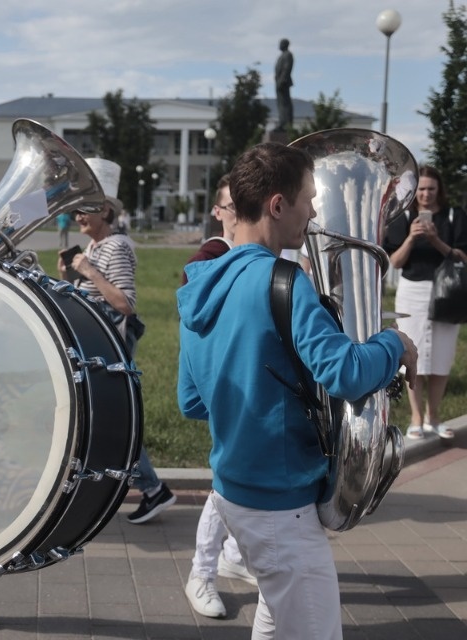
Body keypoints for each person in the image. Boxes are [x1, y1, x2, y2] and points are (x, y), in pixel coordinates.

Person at [177, 142, 417, 639]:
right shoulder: (282, 279)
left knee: (273, 618)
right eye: (309, 200)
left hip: (234, 491)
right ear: (277, 205)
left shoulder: (197, 282)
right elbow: (348, 373)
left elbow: (192, 400)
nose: (314, 212)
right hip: (277, 504)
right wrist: (394, 343)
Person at [57, 159, 174, 525]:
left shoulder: (115, 246)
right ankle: (148, 489)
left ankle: (151, 488)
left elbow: (125, 303)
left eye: (87, 208)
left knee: (109, 422)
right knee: (101, 421)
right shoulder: (95, 247)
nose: (78, 215)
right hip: (95, 346)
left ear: (106, 210)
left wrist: (88, 273)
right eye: (77, 209)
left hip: (109, 347)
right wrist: (70, 277)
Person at [180, 176, 257, 620]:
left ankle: (233, 555)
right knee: (222, 485)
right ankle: (201, 573)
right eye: (231, 206)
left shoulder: (255, 253)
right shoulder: (209, 257)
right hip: (228, 383)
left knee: (234, 478)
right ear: (219, 211)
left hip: (251, 382)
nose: (238, 213)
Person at [383, 165, 467, 440]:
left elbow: (462, 257)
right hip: (412, 291)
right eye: (421, 189)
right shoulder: (403, 216)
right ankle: (417, 417)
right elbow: (393, 262)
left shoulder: (455, 216)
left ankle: (434, 416)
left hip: (446, 293)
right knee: (412, 352)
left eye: (431, 188)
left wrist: (436, 240)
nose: (426, 194)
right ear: (414, 191)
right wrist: (411, 237)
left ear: (439, 190)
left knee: (441, 355)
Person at [274, 38, 294, 132]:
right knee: (280, 104)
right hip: (279, 82)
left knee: (285, 104)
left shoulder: (288, 55)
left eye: (281, 43)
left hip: (283, 82)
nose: (279, 45)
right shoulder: (281, 56)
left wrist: (282, 80)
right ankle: (282, 122)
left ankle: (286, 124)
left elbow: (287, 68)